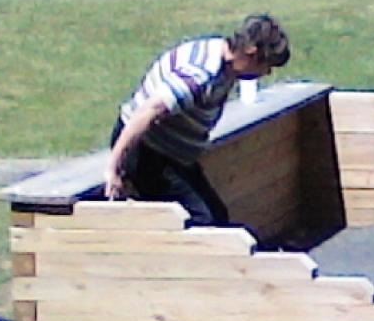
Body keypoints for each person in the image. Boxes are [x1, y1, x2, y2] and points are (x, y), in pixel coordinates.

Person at [106, 14, 290, 227]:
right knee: (200, 221)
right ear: (251, 53)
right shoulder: (200, 75)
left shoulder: (223, 57)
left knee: (217, 216)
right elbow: (147, 112)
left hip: (173, 154)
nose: (266, 72)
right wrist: (113, 167)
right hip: (145, 150)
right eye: (267, 65)